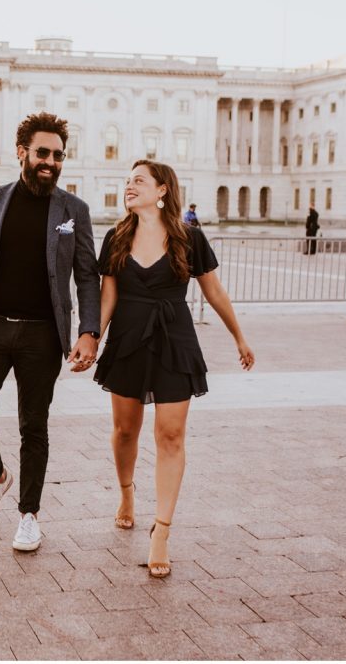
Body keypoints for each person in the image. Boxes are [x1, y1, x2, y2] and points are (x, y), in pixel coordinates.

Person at [0, 112, 100, 552]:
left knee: (34, 425)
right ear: (22, 153)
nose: (51, 161)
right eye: (42, 153)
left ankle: (29, 514)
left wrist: (90, 331)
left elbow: (88, 275)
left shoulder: (75, 211)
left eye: (58, 155)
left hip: (42, 335)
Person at [94, 159, 254, 577]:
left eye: (138, 181)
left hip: (174, 339)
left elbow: (214, 291)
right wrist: (92, 338)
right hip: (128, 338)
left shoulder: (189, 238)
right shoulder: (115, 237)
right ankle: (127, 493)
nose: (129, 187)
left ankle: (161, 531)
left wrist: (239, 336)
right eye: (127, 182)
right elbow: (107, 296)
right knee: (126, 429)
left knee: (171, 434)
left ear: (163, 189)